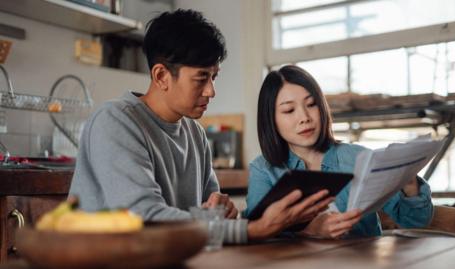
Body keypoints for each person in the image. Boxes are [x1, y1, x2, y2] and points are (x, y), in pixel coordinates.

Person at [69, 10, 332, 244]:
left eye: (214, 77)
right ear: (161, 76)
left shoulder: (194, 133)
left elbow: (211, 212)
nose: (211, 91)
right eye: (201, 78)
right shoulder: (115, 121)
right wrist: (253, 230)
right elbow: (144, 218)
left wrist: (222, 209)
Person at [245, 65, 433, 238]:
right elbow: (257, 235)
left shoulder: (358, 158)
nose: (304, 117)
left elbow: (416, 221)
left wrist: (409, 184)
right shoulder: (264, 170)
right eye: (289, 110)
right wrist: (310, 231)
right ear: (271, 120)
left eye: (311, 104)